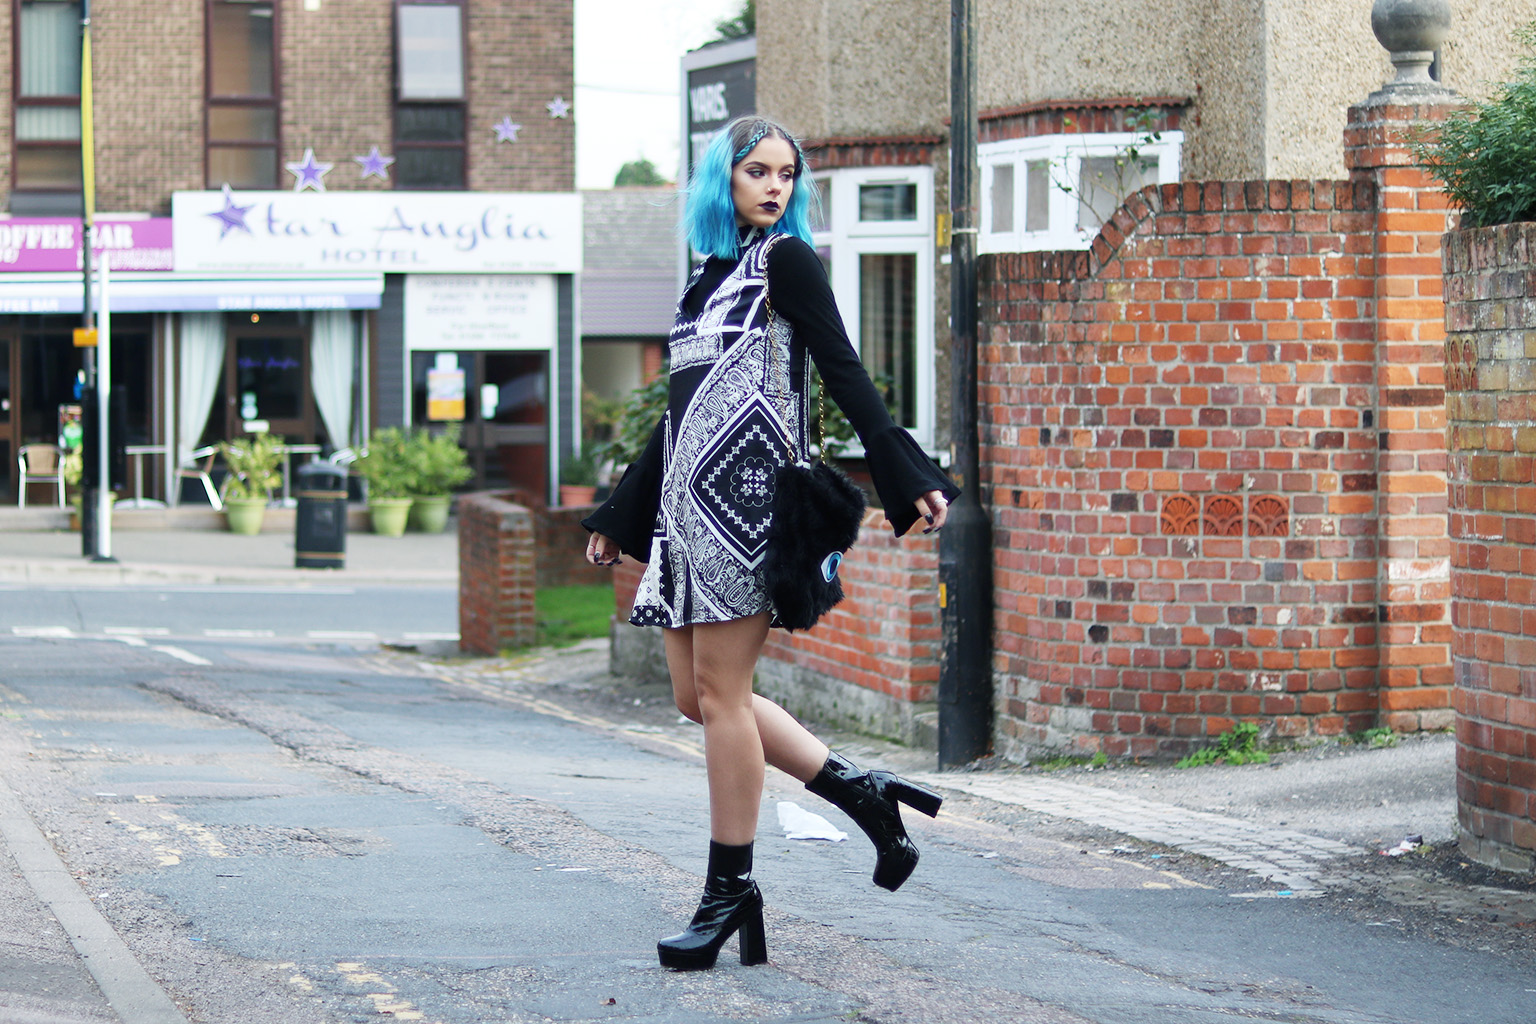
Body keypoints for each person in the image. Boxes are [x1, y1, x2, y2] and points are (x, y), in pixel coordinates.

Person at [581, 115, 960, 971]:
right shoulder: (702, 280)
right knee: (697, 697)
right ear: (724, 181)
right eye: (758, 171)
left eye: (787, 173)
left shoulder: (786, 262)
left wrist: (908, 470)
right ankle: (862, 792)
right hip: (687, 517)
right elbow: (679, 417)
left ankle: (729, 889)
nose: (775, 186)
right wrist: (621, 515)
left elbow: (843, 367)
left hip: (751, 516)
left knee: (722, 695)